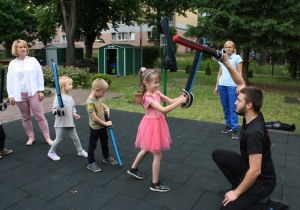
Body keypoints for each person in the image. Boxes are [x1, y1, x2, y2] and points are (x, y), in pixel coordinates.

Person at [212, 53, 288, 209]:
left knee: (226, 208)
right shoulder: (252, 113)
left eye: (238, 100)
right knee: (218, 154)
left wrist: (237, 193)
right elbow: (239, 82)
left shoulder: (254, 132)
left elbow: (255, 171)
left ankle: (270, 207)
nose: (235, 102)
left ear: (249, 105)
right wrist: (226, 62)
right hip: (249, 168)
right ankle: (240, 187)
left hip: (263, 181)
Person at [127, 67, 187, 192]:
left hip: (158, 124)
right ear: (146, 83)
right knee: (157, 155)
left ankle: (133, 168)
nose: (158, 85)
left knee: (147, 149)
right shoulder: (147, 97)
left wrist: (180, 97)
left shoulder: (156, 92)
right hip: (151, 125)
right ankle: (155, 183)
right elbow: (164, 110)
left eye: (158, 82)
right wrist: (181, 101)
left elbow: (170, 101)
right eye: (155, 83)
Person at [7, 39, 53, 146]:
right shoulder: (12, 64)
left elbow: (39, 75)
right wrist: (11, 95)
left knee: (39, 116)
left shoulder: (32, 60)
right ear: (15, 49)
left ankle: (47, 137)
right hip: (20, 95)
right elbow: (9, 81)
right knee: (25, 117)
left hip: (33, 93)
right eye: (20, 47)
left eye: (24, 47)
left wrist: (41, 90)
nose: (23, 49)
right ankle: (31, 137)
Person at [47, 76, 88, 161]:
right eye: (69, 84)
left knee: (75, 137)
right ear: (63, 86)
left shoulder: (70, 98)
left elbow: (72, 109)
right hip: (60, 122)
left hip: (69, 121)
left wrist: (75, 115)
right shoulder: (58, 98)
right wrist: (59, 109)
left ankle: (80, 150)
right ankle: (51, 152)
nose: (71, 86)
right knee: (59, 138)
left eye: (71, 84)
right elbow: (54, 110)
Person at [86, 78, 118, 172]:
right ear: (97, 90)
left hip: (102, 126)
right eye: (103, 92)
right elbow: (94, 118)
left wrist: (107, 108)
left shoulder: (97, 97)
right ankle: (91, 163)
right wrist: (106, 123)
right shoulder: (89, 102)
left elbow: (100, 102)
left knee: (104, 142)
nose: (104, 94)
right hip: (95, 128)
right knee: (93, 144)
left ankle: (106, 157)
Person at [214, 41, 243, 140]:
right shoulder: (222, 58)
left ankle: (234, 129)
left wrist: (239, 85)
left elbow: (239, 73)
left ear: (233, 48)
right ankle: (229, 125)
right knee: (225, 107)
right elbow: (220, 73)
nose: (228, 49)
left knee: (233, 107)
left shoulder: (237, 58)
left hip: (232, 86)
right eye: (226, 47)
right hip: (222, 85)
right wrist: (217, 86)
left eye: (230, 47)